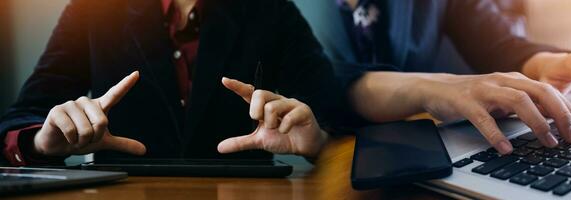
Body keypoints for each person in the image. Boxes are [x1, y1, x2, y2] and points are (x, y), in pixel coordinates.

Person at [0, 0, 348, 166]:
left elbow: (335, 123)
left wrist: (317, 142)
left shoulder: (272, 10)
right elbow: (18, 122)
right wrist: (40, 142)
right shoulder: (93, 9)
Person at [295, 0, 571, 154]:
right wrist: (426, 85)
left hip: (418, 157)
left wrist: (544, 61)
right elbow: (307, 77)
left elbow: (494, 38)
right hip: (309, 162)